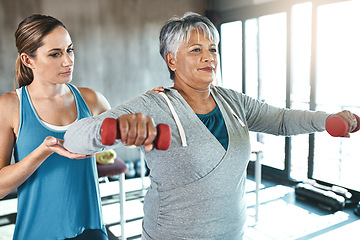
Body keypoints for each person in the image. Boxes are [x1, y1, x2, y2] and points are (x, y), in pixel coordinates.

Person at [63, 12, 358, 240]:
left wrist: (326, 120)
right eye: (195, 50)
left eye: (213, 48)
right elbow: (74, 138)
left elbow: (280, 119)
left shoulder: (233, 101)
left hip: (233, 233)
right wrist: (112, 129)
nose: (209, 57)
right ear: (172, 60)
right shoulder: (153, 105)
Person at [0, 14, 111, 240]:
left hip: (91, 232)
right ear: (27, 60)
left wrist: (154, 103)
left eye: (69, 50)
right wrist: (44, 150)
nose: (68, 61)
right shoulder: (10, 106)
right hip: (36, 234)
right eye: (55, 54)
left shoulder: (92, 100)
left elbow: (123, 137)